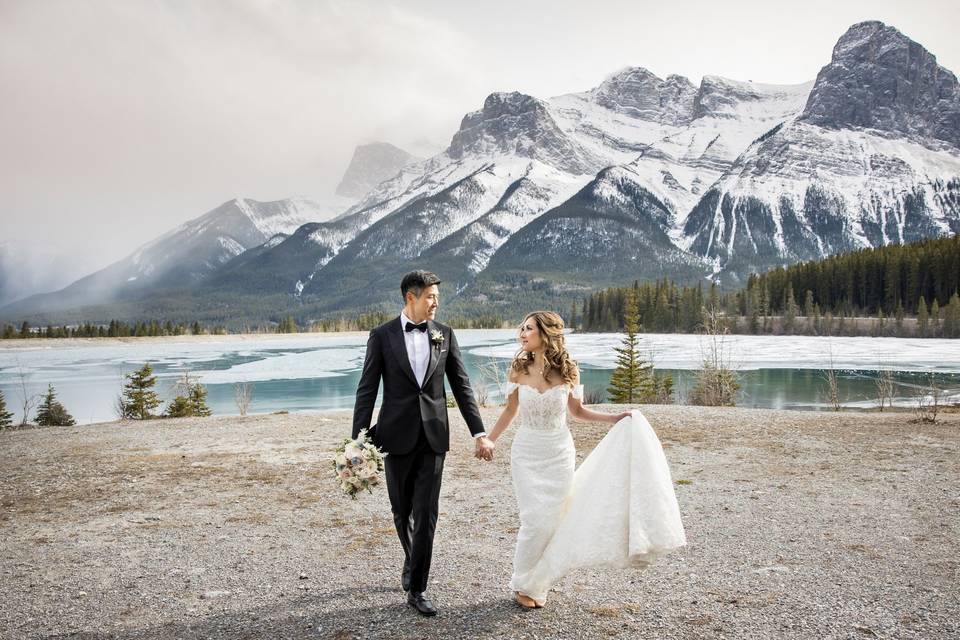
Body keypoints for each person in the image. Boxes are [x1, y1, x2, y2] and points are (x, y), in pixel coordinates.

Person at [484, 310, 686, 608]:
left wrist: (615, 418)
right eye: (521, 329)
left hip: (558, 452)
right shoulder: (518, 368)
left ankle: (535, 584)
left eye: (528, 329)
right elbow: (510, 411)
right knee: (534, 521)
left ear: (545, 333)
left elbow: (577, 413)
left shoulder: (568, 370)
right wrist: (490, 438)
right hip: (527, 451)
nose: (522, 334)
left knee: (554, 520)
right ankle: (521, 582)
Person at [352, 270, 494, 617]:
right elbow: (367, 388)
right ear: (410, 297)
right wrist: (357, 438)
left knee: (426, 513)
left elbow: (461, 385)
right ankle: (411, 558)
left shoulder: (444, 334)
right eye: (430, 296)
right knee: (401, 512)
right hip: (393, 437)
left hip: (433, 437)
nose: (436, 303)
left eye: (437, 298)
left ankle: (417, 588)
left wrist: (479, 431)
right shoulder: (382, 336)